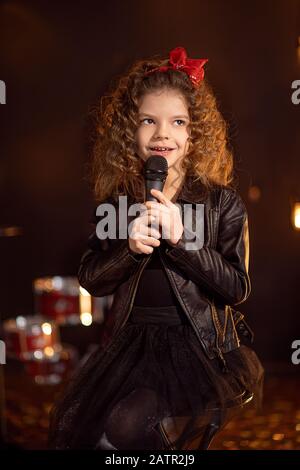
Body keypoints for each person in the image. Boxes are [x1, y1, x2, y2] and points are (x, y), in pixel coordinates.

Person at [49, 46, 264, 450]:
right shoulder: (118, 201)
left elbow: (236, 287)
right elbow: (91, 279)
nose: (162, 133)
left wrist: (184, 240)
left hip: (195, 347)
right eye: (149, 120)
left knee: (127, 425)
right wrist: (129, 248)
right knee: (88, 430)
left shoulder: (222, 204)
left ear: (194, 133)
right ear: (130, 131)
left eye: (177, 121)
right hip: (130, 346)